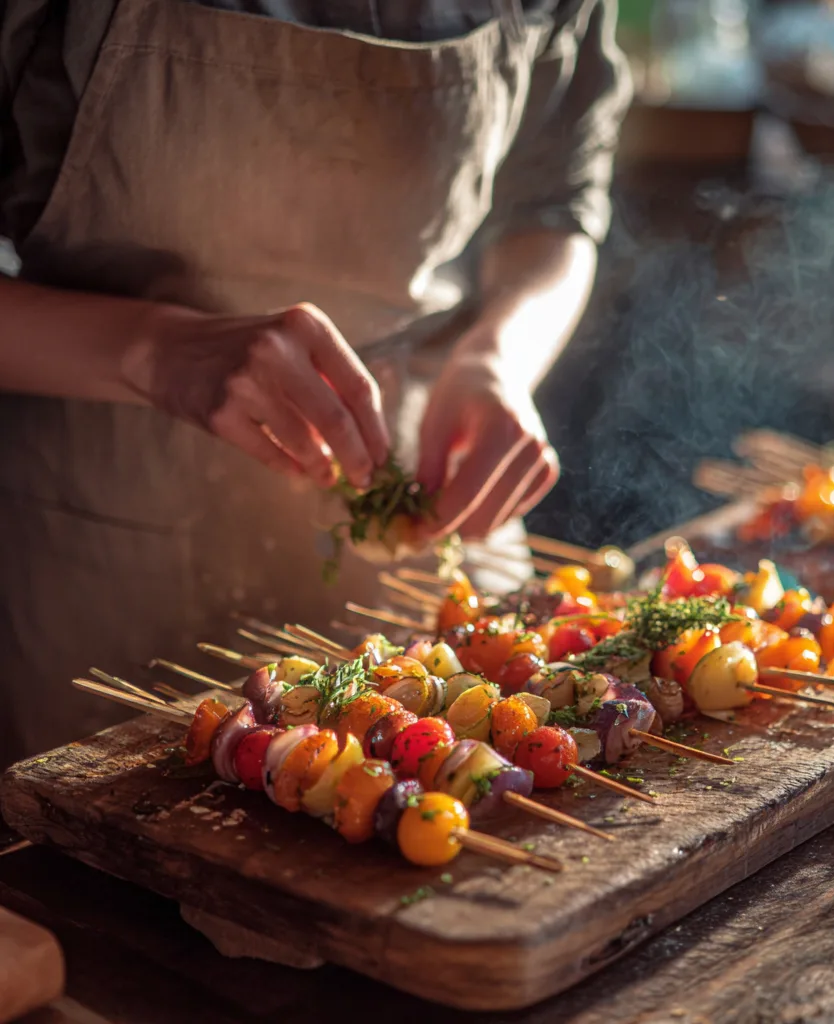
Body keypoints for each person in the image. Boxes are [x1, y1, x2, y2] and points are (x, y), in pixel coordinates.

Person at [0, 0, 631, 765]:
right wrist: (153, 349)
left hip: (421, 487)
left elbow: (556, 202)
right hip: (99, 523)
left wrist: (500, 354)